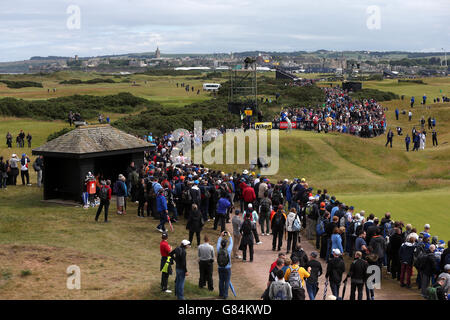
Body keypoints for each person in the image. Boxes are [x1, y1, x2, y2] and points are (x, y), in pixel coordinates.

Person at [217, 231, 233, 299]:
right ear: (226, 244)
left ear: (221, 244)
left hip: (220, 267)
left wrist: (221, 236)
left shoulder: (218, 249)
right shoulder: (228, 250)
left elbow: (218, 243)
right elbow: (232, 243)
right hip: (227, 267)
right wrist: (229, 236)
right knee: (227, 281)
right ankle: (225, 295)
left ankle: (221, 293)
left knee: (221, 280)